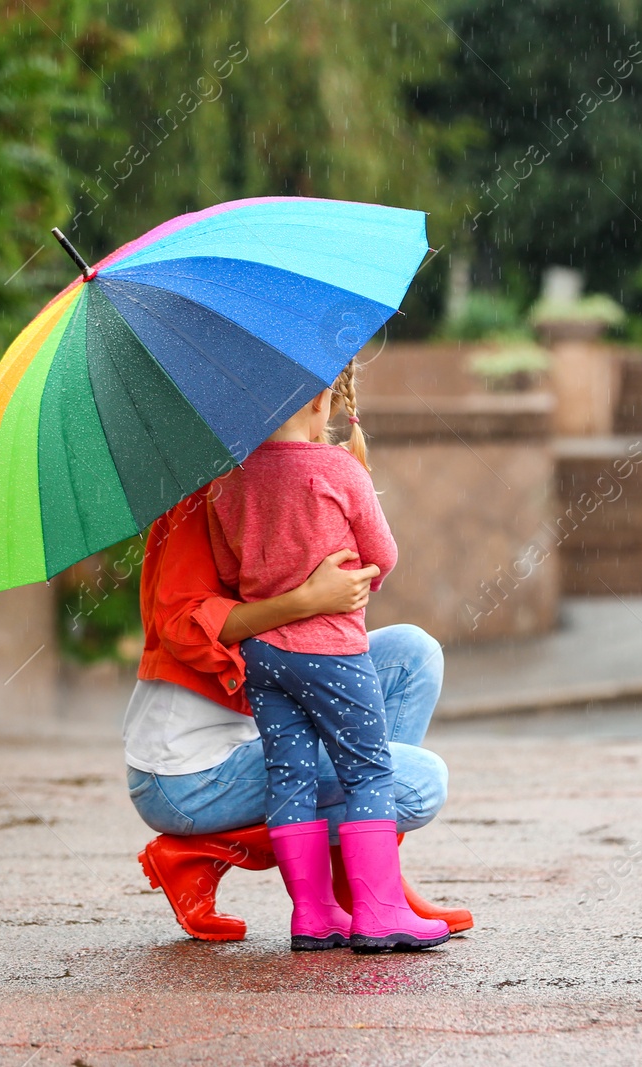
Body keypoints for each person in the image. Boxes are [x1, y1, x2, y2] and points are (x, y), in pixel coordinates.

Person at [125, 398, 472, 944]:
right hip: (190, 772)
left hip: (260, 690)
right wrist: (308, 599)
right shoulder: (205, 485)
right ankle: (360, 892)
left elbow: (246, 571)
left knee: (412, 654)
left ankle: (342, 895)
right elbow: (180, 624)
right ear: (318, 403)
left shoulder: (250, 475)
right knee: (414, 783)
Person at [203, 361, 449, 952]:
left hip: (262, 655)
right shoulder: (337, 468)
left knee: (290, 777)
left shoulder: (227, 478)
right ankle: (379, 911)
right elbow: (382, 555)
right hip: (331, 652)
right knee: (367, 768)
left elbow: (230, 571)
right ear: (320, 399)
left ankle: (313, 916)